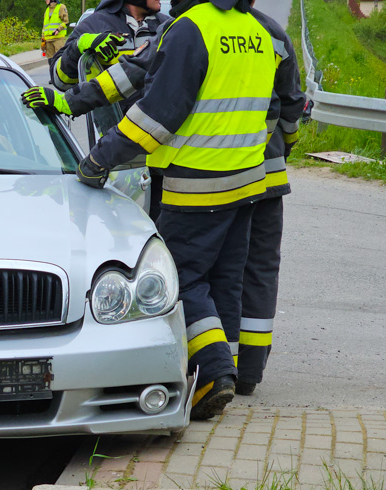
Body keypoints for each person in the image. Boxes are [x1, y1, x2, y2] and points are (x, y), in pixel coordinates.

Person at [29, 0, 276, 420]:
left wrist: (98, 159)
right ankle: (227, 369)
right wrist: (68, 101)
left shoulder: (190, 29)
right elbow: (272, 108)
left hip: (197, 181)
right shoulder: (255, 30)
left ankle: (214, 377)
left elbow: (154, 116)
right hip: (246, 181)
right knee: (226, 281)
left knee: (183, 276)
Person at [236, 0, 304, 396]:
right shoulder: (274, 34)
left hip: (220, 176)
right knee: (260, 269)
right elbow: (293, 105)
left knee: (224, 271)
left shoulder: (195, 27)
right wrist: (284, 144)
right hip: (269, 173)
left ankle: (218, 366)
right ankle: (250, 373)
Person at [51, 0, 169, 102]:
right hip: (112, 125)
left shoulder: (168, 26)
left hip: (159, 126)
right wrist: (79, 46)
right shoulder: (94, 25)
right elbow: (60, 81)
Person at [42, 0, 69, 84]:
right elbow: (44, 26)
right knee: (50, 59)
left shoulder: (61, 7)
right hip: (48, 39)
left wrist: (58, 29)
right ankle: (53, 78)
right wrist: (43, 39)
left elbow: (66, 21)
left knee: (59, 58)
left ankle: (62, 78)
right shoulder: (47, 10)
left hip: (58, 38)